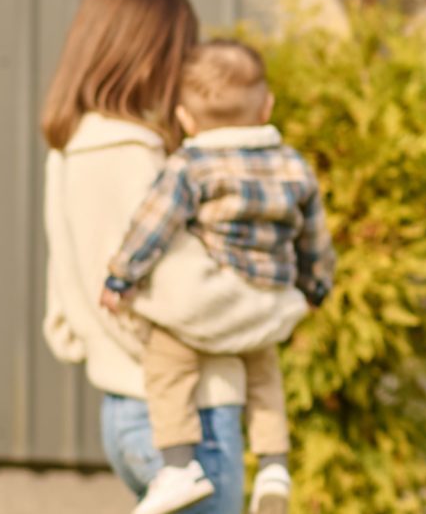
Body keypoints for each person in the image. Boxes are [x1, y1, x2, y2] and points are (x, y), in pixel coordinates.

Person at [40, 0, 248, 514]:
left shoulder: (69, 151)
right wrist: (281, 307)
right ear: (149, 56)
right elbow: (187, 299)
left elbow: (62, 319)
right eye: (181, 53)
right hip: (186, 421)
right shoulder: (133, 157)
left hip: (123, 412)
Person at [101, 40, 329, 514]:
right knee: (264, 381)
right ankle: (274, 464)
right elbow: (315, 240)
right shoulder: (293, 165)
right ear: (266, 106)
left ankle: (179, 466)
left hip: (217, 296)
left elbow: (153, 226)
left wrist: (121, 278)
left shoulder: (190, 165)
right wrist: (314, 288)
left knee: (168, 364)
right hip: (268, 294)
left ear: (184, 118)